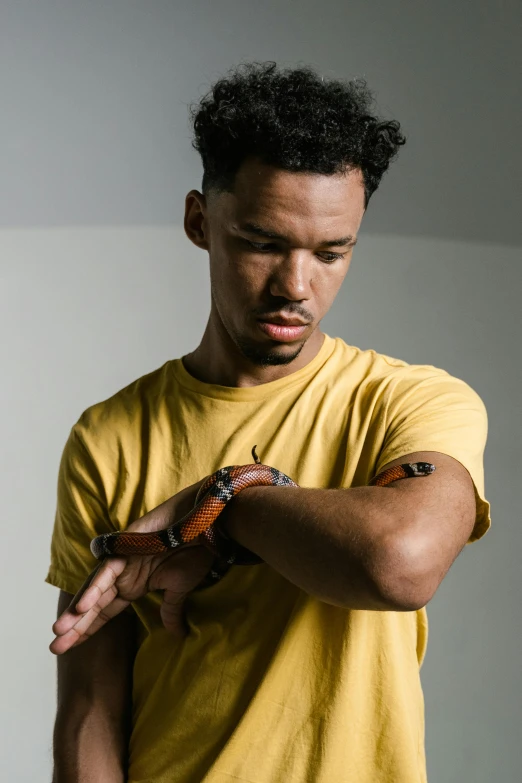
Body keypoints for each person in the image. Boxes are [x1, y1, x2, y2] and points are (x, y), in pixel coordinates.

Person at [47, 61, 490, 783]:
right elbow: (91, 705)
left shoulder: (412, 402)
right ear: (200, 221)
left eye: (331, 252)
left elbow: (400, 563)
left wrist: (223, 500)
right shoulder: (110, 434)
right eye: (262, 243)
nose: (295, 286)